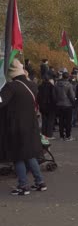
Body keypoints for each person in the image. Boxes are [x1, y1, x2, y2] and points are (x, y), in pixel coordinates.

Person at [0, 59, 47, 195]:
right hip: (31, 125)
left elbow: (1, 102)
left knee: (18, 156)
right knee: (29, 155)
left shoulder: (11, 87)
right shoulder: (32, 85)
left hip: (16, 126)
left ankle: (23, 185)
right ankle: (40, 182)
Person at [55, 72, 75, 141]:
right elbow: (72, 96)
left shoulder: (57, 84)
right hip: (67, 105)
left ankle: (61, 136)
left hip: (59, 104)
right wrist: (73, 102)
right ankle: (68, 135)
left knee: (61, 121)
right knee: (68, 121)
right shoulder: (69, 85)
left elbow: (55, 94)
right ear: (68, 77)